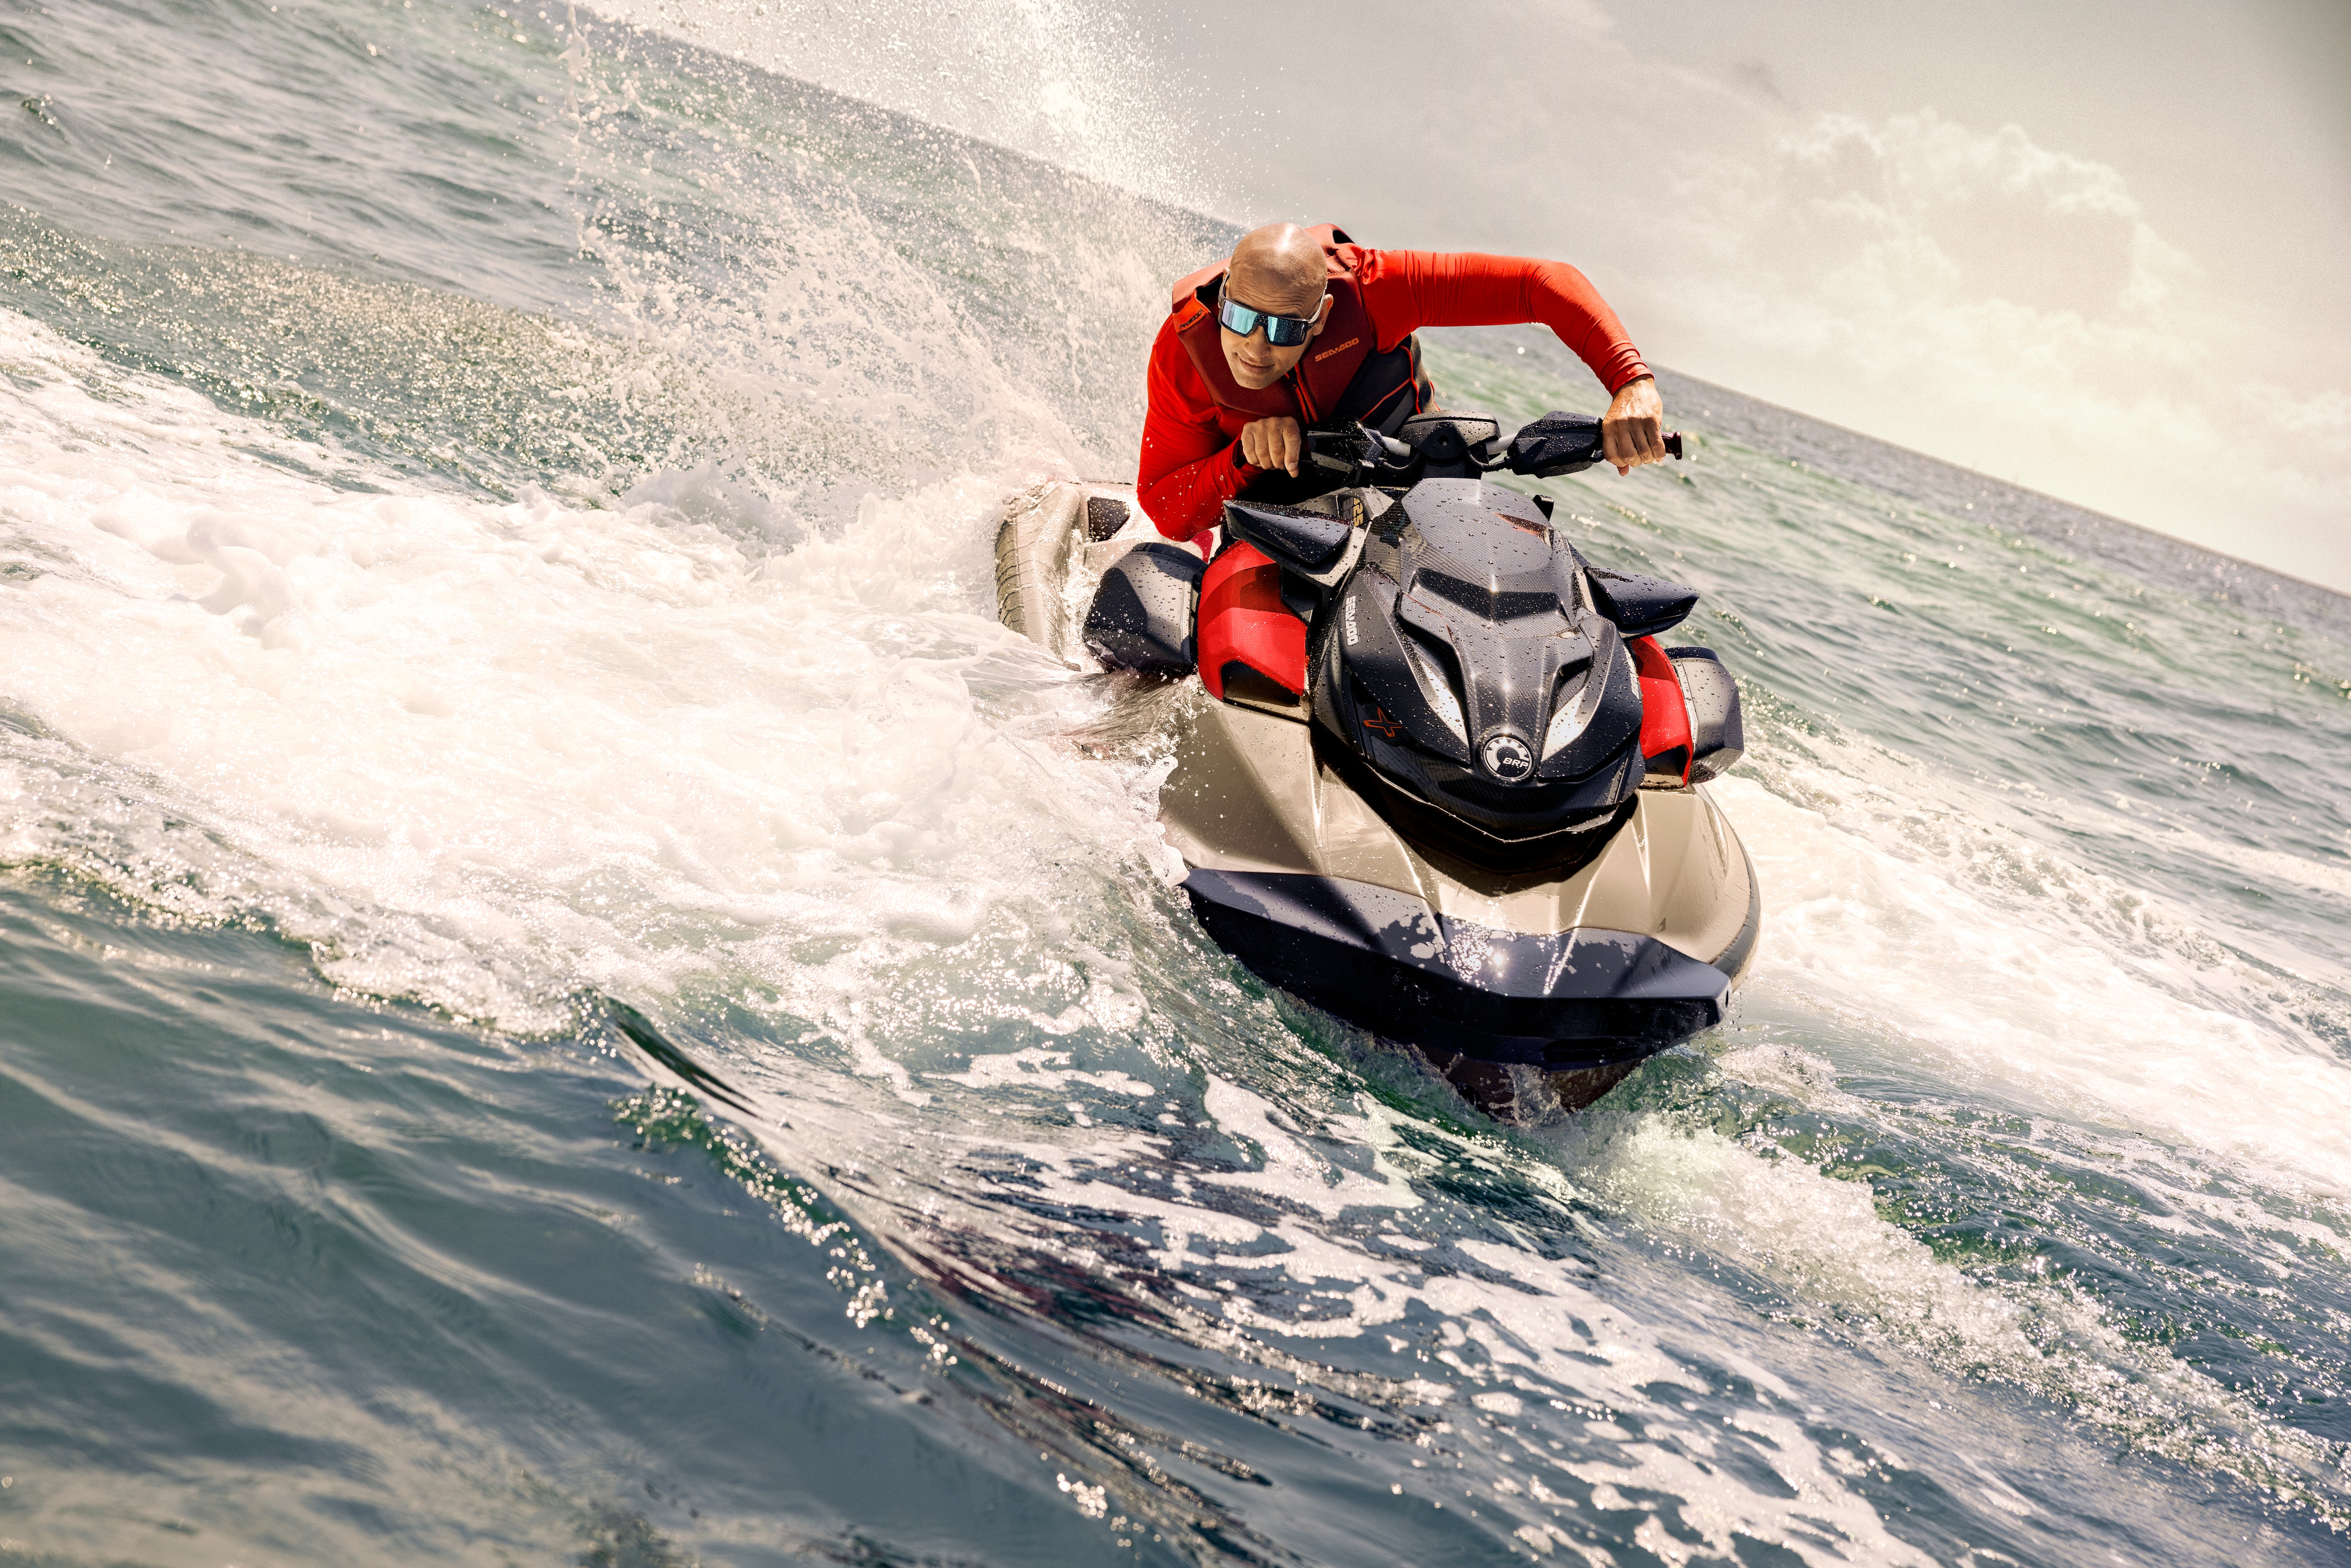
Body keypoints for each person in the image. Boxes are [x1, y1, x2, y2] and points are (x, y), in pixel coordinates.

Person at [1137, 222, 1668, 542]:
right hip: (1276, 511)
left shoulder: (1373, 292)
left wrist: (1630, 382)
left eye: (1283, 328)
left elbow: (1540, 284)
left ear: (1321, 317)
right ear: (1224, 292)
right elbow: (1165, 510)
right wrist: (1242, 459)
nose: (1254, 346)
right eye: (1240, 317)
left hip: (1406, 480)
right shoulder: (1185, 353)